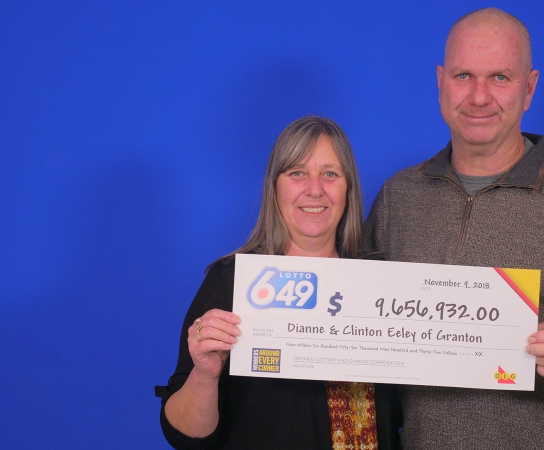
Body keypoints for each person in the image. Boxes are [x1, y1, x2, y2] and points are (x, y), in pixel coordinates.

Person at [363, 8, 544, 449]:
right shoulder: (399, 196)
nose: (479, 97)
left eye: (499, 77)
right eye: (463, 76)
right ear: (440, 81)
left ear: (529, 88)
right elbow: (358, 315)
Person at [157, 116, 401, 449]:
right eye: (297, 173)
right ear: (275, 187)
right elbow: (184, 437)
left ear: (348, 188)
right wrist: (205, 375)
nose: (315, 189)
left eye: (330, 174)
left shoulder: (383, 281)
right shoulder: (232, 281)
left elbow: (408, 410)